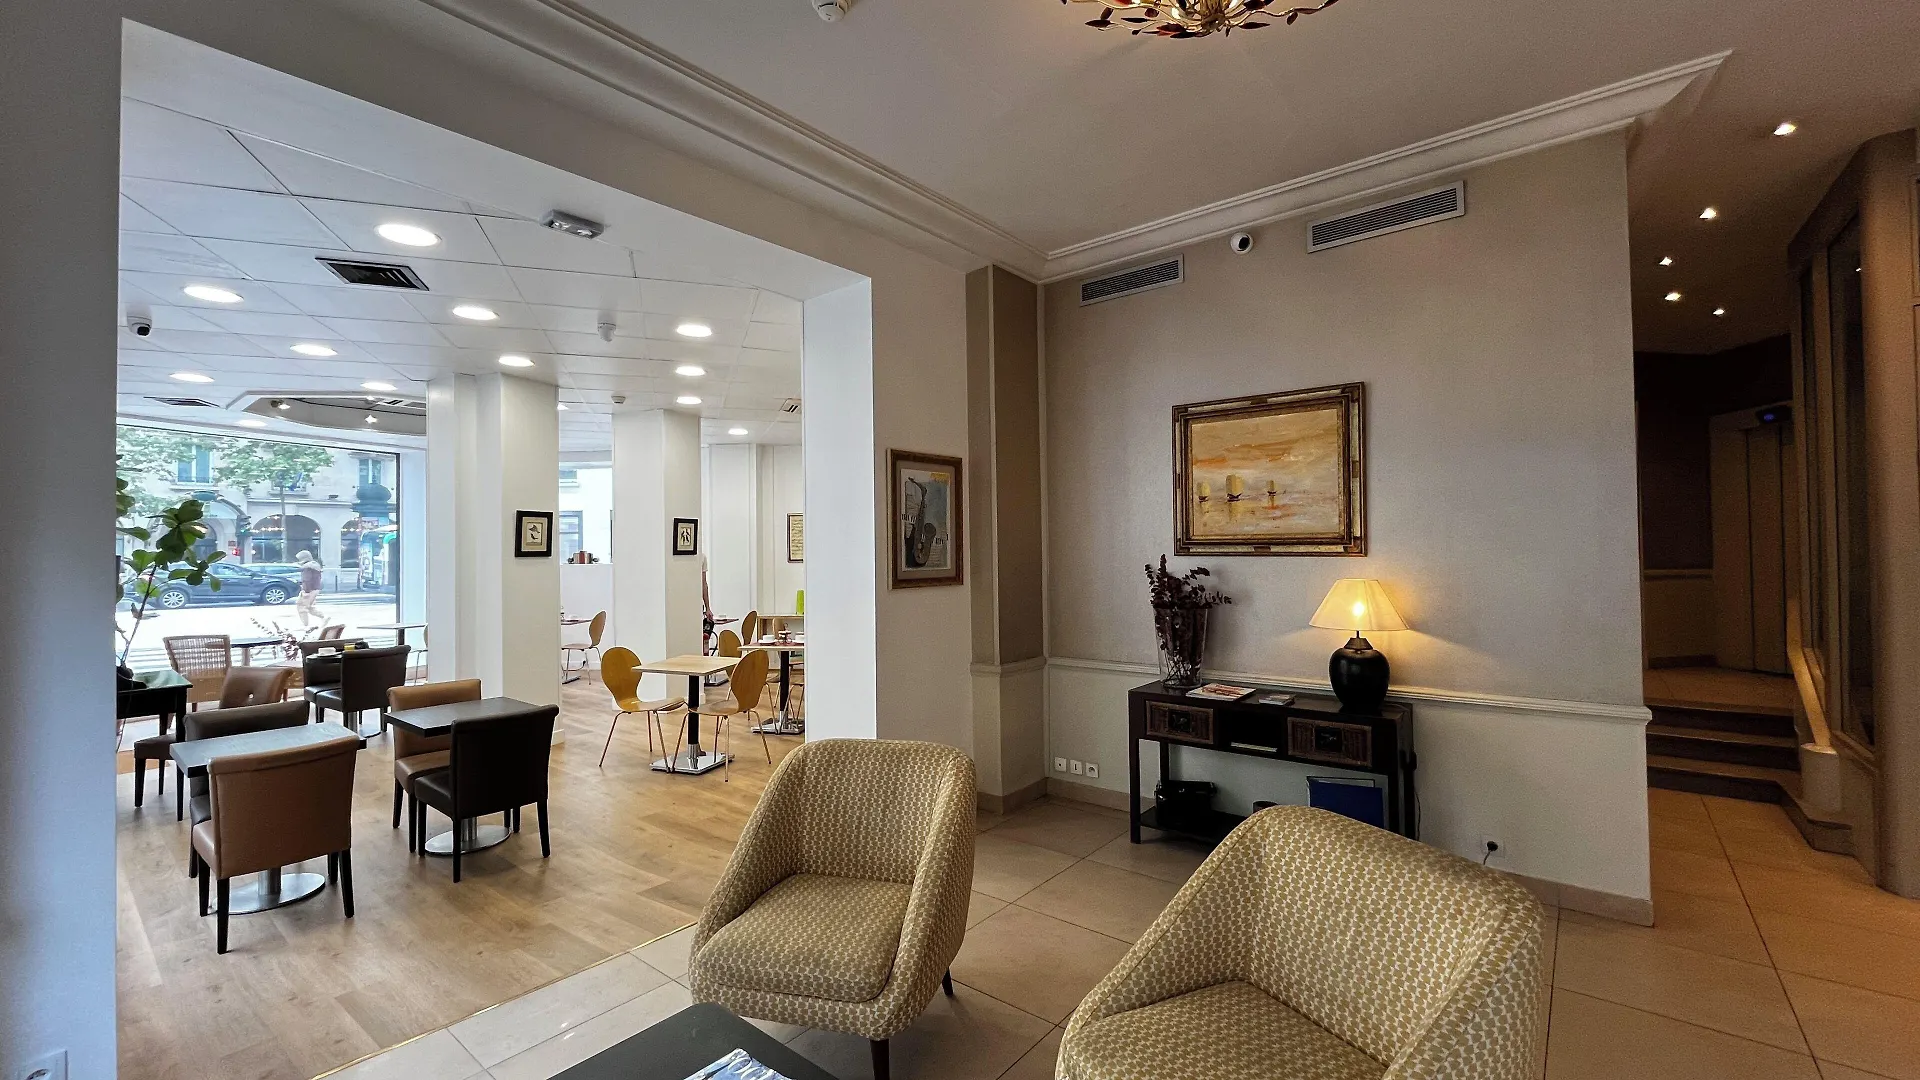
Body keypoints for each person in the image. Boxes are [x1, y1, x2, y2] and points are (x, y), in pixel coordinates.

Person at [294, 550, 325, 626]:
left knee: (302, 608)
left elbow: (306, 580)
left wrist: (306, 591)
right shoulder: (315, 566)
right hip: (314, 589)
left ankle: (305, 625)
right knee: (309, 607)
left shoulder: (307, 567)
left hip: (309, 590)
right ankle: (324, 617)